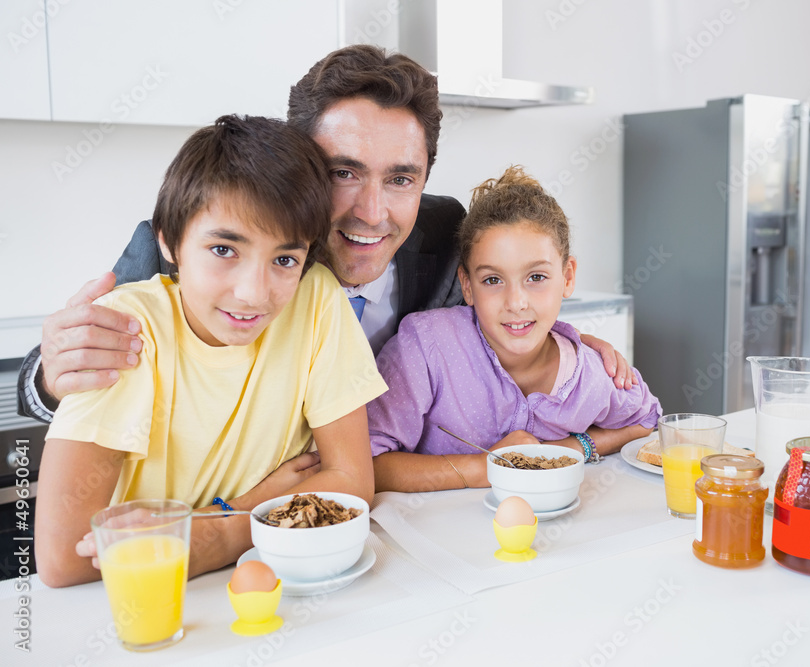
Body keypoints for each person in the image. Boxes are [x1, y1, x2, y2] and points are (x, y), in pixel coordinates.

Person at [17, 44, 635, 424]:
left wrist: (567, 339)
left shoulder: (449, 233)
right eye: (343, 172)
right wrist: (51, 373)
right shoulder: (208, 247)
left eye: (400, 178)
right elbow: (49, 384)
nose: (372, 211)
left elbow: (504, 308)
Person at [35, 115, 388, 587]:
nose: (252, 293)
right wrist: (244, 513)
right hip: (143, 604)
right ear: (169, 241)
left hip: (266, 585)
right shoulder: (127, 330)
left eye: (285, 260)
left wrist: (219, 535)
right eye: (224, 250)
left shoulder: (316, 297)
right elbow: (64, 558)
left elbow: (351, 481)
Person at [368, 166, 662, 492]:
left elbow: (646, 421)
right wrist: (489, 468)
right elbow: (367, 463)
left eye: (536, 277)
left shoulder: (590, 374)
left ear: (567, 277)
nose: (516, 302)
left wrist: (568, 450)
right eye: (492, 280)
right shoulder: (425, 348)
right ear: (467, 285)